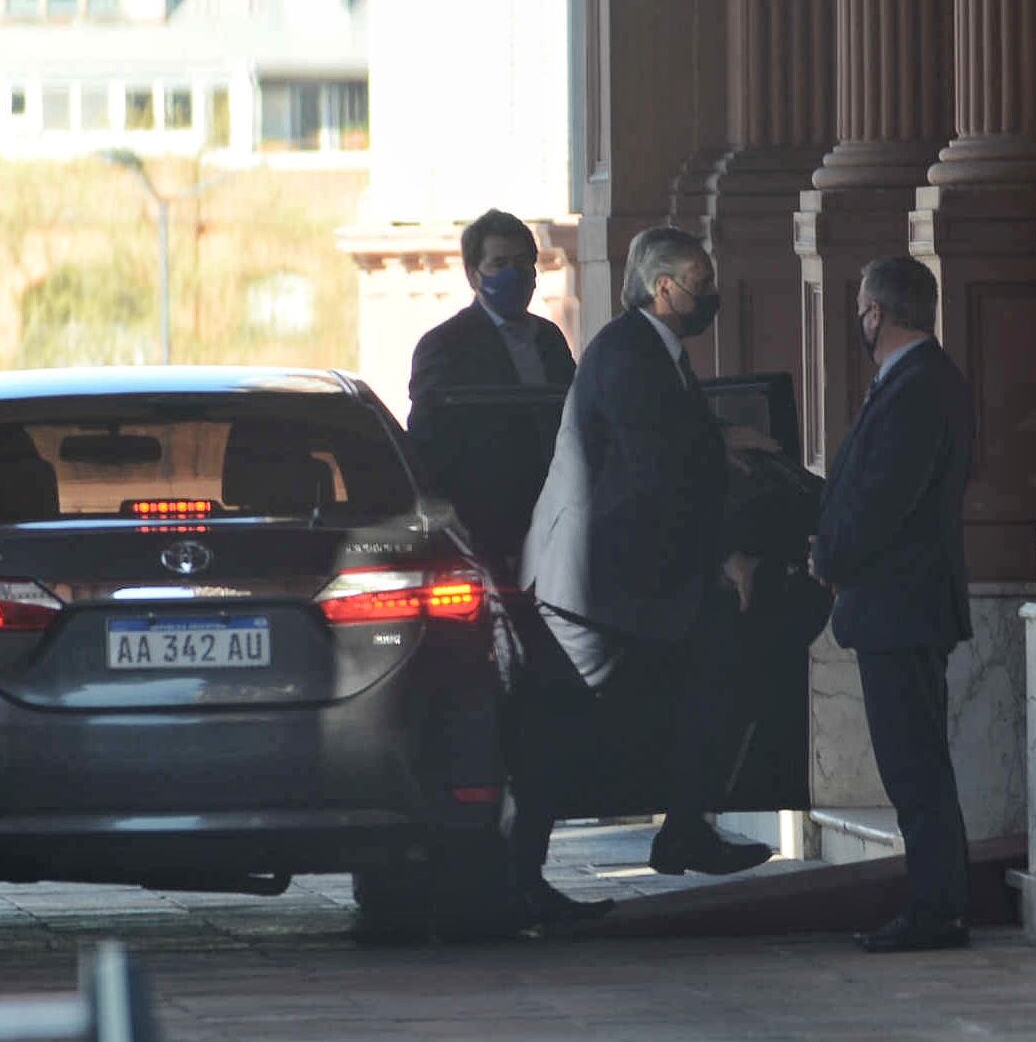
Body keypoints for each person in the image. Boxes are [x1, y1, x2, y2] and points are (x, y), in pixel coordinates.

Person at [513, 226, 775, 926]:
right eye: (701, 280)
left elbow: (674, 444)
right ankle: (516, 882)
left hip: (632, 573)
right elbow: (655, 473)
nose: (710, 293)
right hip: (594, 582)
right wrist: (727, 551)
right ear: (665, 288)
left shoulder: (654, 351)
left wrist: (725, 445)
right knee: (558, 730)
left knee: (717, 664)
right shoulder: (630, 353)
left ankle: (682, 826)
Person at [809, 255, 975, 954]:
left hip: (902, 607)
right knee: (912, 762)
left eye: (861, 308)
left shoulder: (919, 387)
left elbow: (882, 500)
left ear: (877, 311)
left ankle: (938, 909)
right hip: (894, 607)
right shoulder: (907, 381)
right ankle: (936, 903)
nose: (859, 319)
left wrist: (829, 556)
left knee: (915, 766)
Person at [405, 209, 575, 575]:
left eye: (522, 262)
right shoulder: (445, 346)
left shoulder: (549, 339)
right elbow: (428, 449)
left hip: (555, 525)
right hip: (486, 535)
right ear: (473, 275)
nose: (513, 274)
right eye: (499, 263)